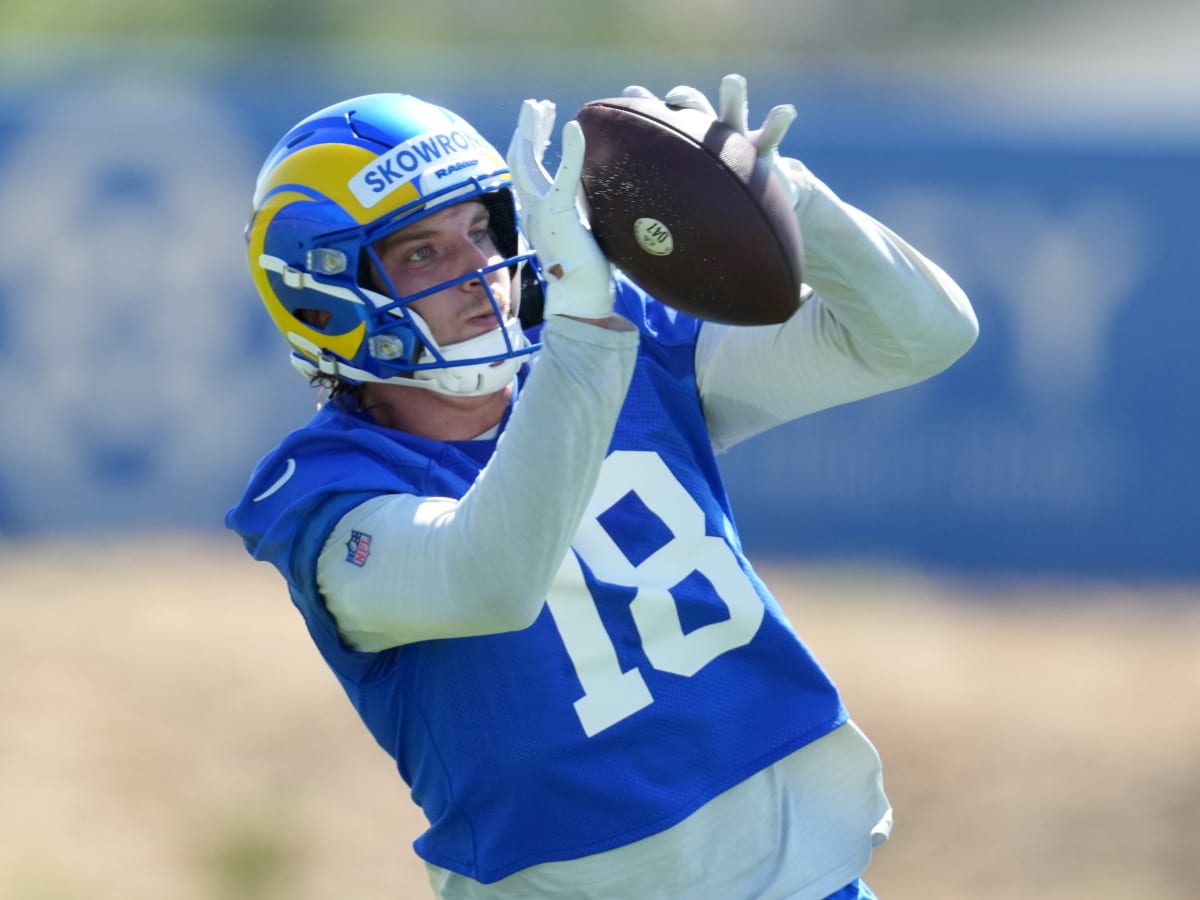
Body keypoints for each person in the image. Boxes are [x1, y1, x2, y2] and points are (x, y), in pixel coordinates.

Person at [226, 74, 978, 900]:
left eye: (482, 227)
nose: (481, 269)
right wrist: (585, 337)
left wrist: (780, 198)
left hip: (803, 881)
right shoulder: (327, 496)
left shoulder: (620, 342)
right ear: (330, 297)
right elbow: (491, 576)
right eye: (422, 251)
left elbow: (921, 338)